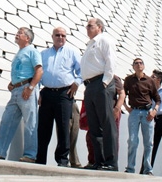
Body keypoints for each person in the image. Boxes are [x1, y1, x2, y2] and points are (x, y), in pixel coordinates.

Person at [0, 27, 43, 163]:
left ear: (27, 38)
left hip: (26, 89)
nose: (16, 34)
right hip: (16, 90)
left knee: (30, 122)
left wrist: (30, 88)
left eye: (20, 33)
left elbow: (39, 71)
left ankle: (30, 155)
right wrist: (12, 83)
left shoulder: (32, 51)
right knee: (7, 120)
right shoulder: (19, 53)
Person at [37, 27, 82, 167]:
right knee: (43, 128)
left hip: (64, 94)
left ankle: (62, 160)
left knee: (63, 128)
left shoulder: (72, 52)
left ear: (66, 38)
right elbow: (38, 73)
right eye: (57, 35)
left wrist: (76, 83)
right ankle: (40, 160)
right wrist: (38, 91)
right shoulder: (43, 54)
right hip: (47, 93)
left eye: (63, 35)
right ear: (52, 36)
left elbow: (81, 71)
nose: (60, 37)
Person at [80, 17, 118, 171]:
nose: (87, 28)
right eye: (87, 26)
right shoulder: (90, 45)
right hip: (90, 86)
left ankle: (111, 162)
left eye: (90, 26)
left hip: (101, 84)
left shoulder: (104, 40)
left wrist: (105, 82)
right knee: (94, 126)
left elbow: (111, 61)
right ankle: (99, 161)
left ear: (99, 27)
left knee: (107, 124)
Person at [123, 58, 161, 175]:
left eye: (141, 63)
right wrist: (127, 107)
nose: (139, 65)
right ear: (133, 66)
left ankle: (148, 169)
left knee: (148, 142)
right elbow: (123, 94)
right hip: (134, 112)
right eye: (136, 63)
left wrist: (154, 110)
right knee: (133, 141)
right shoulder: (129, 80)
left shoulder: (149, 81)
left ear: (144, 66)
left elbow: (157, 98)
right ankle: (130, 168)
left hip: (147, 112)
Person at [82, 75, 125, 169]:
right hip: (98, 110)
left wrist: (117, 109)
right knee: (94, 135)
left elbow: (122, 93)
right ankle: (96, 161)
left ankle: (111, 162)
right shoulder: (94, 79)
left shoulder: (114, 78)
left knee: (111, 136)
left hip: (112, 111)